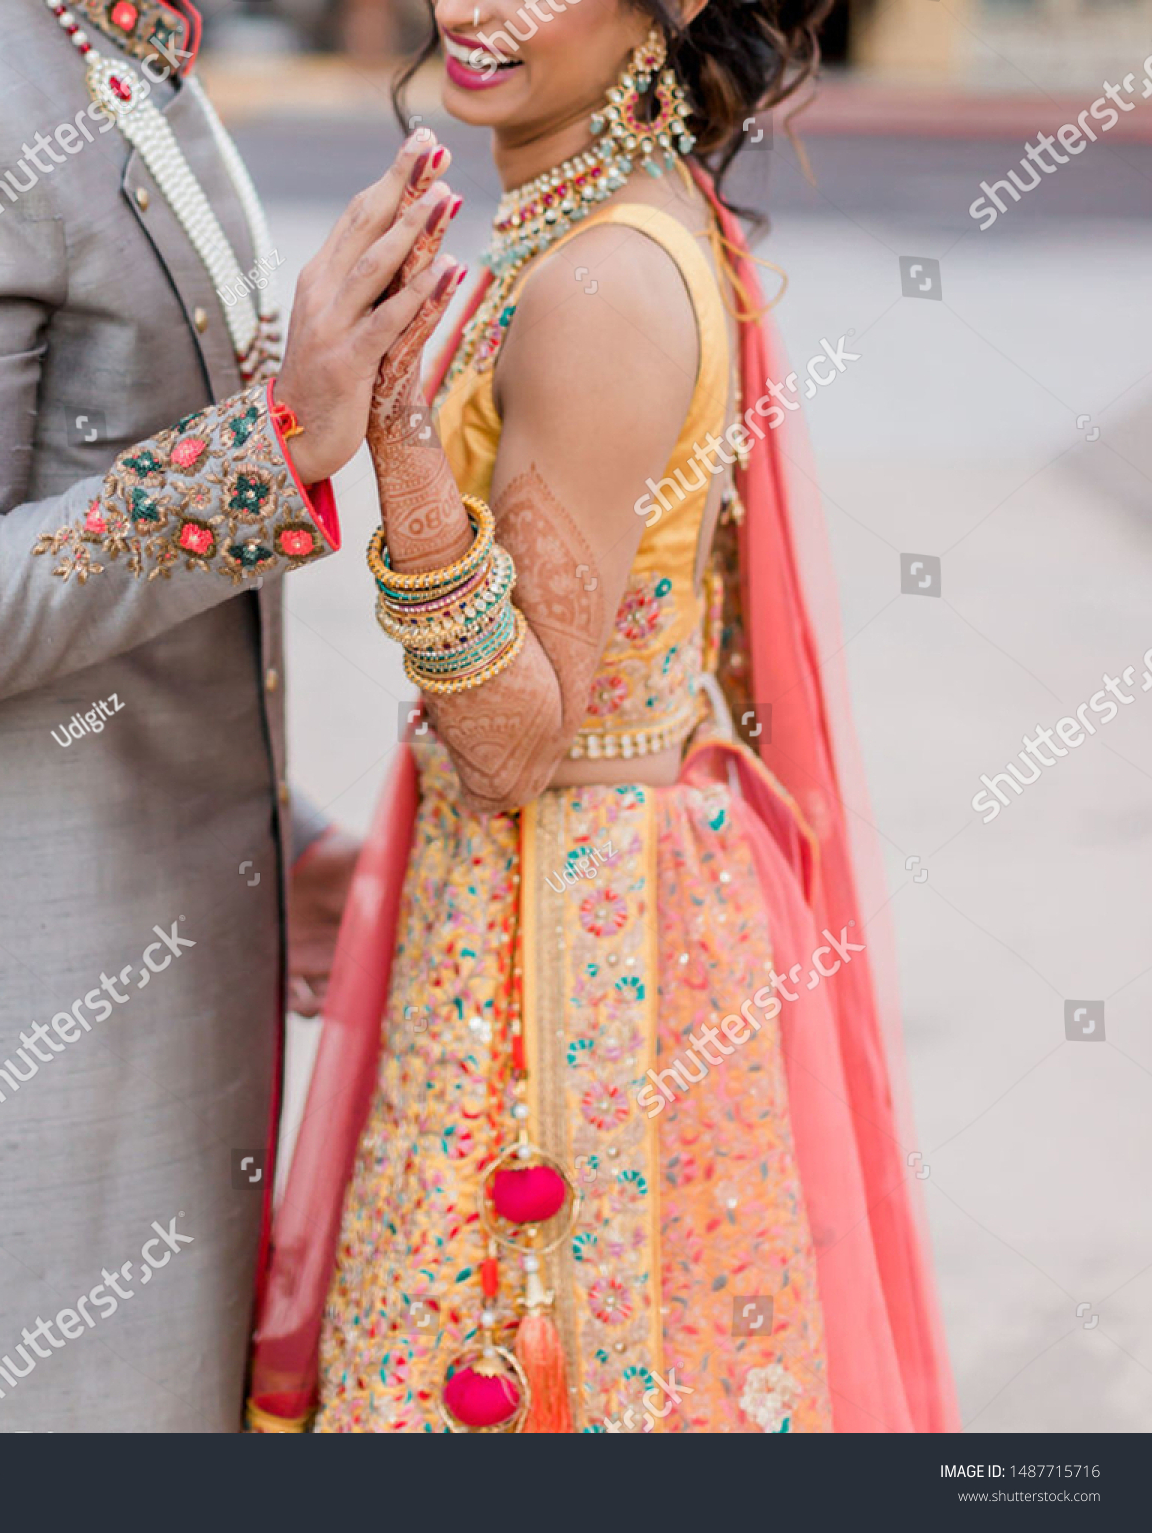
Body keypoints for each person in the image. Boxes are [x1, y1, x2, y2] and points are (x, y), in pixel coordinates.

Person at [249, 0, 959, 1432]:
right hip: (559, 898)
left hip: (569, 946)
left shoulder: (599, 282)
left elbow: (512, 743)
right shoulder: (591, 214)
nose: (467, 10)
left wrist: (395, 440)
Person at [0, 0, 461, 1432]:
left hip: (163, 999)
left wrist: (281, 839)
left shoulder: (133, 59)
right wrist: (276, 444)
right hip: (15, 1052)